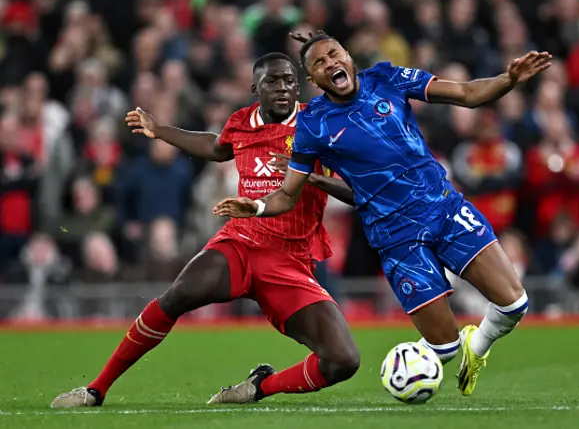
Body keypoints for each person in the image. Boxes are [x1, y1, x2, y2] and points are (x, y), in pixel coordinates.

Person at [214, 32, 552, 397]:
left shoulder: (387, 78)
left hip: (443, 207)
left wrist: (509, 79)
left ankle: (478, 346)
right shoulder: (314, 125)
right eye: (319, 63)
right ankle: (442, 355)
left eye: (334, 54)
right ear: (313, 81)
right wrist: (258, 207)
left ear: (348, 55)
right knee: (443, 349)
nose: (330, 63)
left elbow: (467, 94)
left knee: (515, 303)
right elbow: (286, 195)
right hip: (396, 237)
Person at [50, 53, 360, 408]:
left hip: (290, 260)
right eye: (272, 81)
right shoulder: (241, 122)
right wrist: (160, 130)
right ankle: (96, 389)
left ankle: (259, 387)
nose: (283, 88)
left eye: (289, 80)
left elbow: (356, 191)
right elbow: (216, 147)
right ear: (255, 88)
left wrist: (309, 175)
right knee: (176, 296)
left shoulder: (318, 124)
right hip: (240, 244)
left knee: (343, 360)